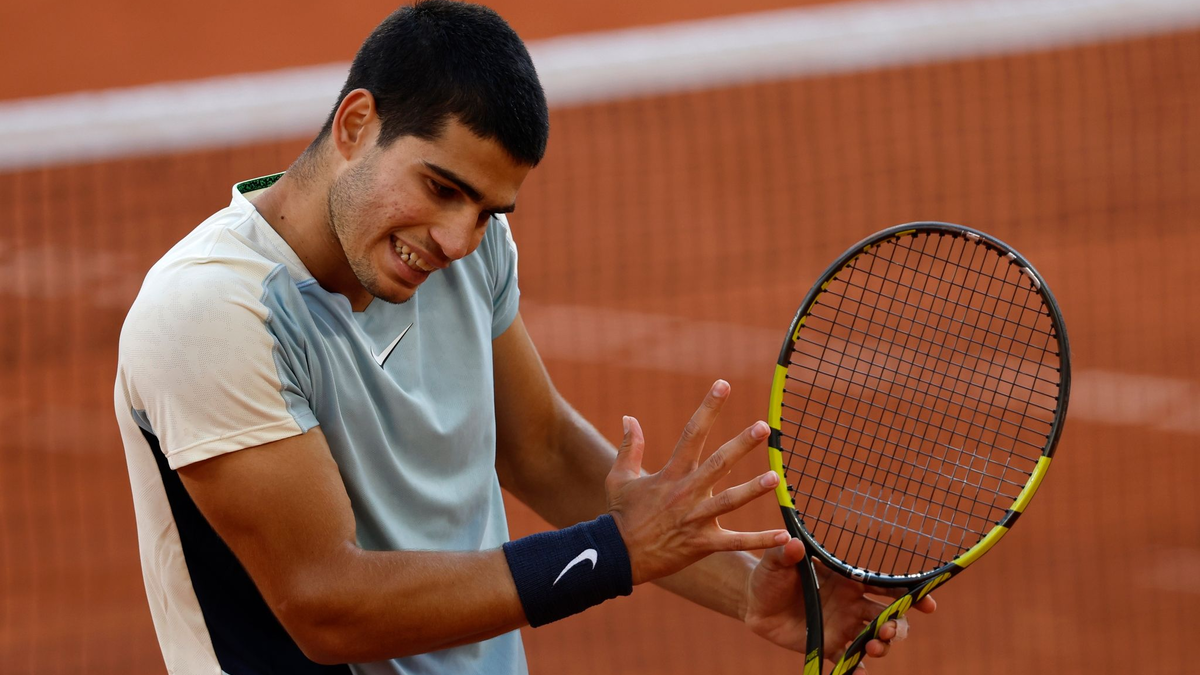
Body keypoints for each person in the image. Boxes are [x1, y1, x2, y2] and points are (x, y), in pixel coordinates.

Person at [113, 2, 933, 673]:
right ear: (357, 124)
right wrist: (611, 554)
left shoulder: (466, 255)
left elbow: (537, 447)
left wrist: (753, 588)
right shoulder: (213, 313)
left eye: (489, 211)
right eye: (441, 187)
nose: (457, 238)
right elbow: (328, 603)